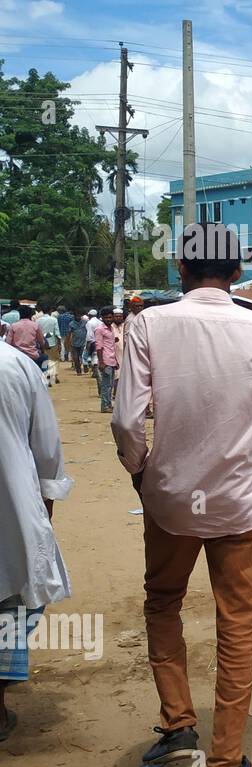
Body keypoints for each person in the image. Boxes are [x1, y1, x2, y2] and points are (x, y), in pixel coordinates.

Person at [112, 223, 252, 767]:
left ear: (181, 270)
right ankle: (225, 762)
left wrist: (142, 473)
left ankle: (179, 723)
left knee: (163, 603)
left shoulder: (147, 324)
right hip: (239, 501)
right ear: (237, 272)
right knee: (237, 623)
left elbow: (125, 420)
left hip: (167, 499)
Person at [0, 337, 74, 741]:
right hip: (9, 507)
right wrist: (47, 501)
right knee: (10, 602)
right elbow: (46, 445)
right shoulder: (15, 365)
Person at [93, 311, 119, 413]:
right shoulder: (100, 329)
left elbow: (111, 346)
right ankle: (105, 406)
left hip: (112, 360)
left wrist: (116, 361)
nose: (108, 319)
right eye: (106, 317)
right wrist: (101, 362)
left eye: (110, 317)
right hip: (106, 360)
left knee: (110, 385)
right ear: (102, 318)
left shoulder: (111, 328)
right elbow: (99, 346)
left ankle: (108, 404)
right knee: (106, 385)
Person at [83, 309, 103, 376]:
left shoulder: (89, 322)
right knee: (96, 356)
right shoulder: (100, 322)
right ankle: (95, 371)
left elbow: (89, 334)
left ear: (90, 315)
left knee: (90, 355)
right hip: (100, 341)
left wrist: (88, 343)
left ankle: (93, 369)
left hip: (92, 341)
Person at [69, 312, 87, 377]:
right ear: (74, 316)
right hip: (74, 344)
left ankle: (85, 366)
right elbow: (69, 333)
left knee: (83, 357)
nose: (78, 317)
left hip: (83, 343)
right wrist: (68, 343)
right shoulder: (71, 324)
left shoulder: (85, 322)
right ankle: (78, 371)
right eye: (76, 316)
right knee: (76, 358)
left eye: (79, 316)